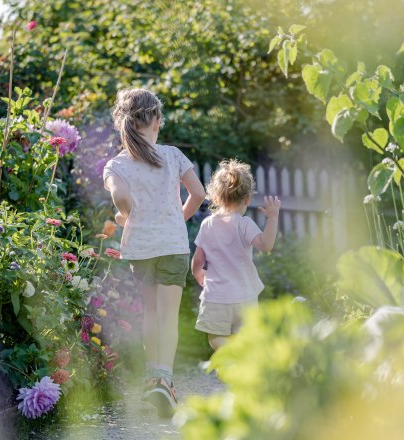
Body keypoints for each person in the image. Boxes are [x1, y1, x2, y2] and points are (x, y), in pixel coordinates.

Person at [103, 88, 205, 418]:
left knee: (149, 313)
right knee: (168, 315)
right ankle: (166, 380)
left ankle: (151, 380)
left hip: (141, 249)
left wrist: (124, 216)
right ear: (157, 121)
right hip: (172, 246)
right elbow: (199, 193)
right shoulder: (173, 155)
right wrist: (178, 217)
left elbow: (121, 200)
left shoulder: (116, 164)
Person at [191, 159, 281, 351]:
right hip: (244, 295)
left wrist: (199, 275)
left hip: (216, 296)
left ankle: (227, 356)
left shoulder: (207, 224)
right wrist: (272, 218)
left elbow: (198, 260)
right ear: (247, 198)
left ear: (215, 197)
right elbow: (266, 246)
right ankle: (241, 365)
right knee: (247, 338)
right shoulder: (244, 224)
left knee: (216, 336)